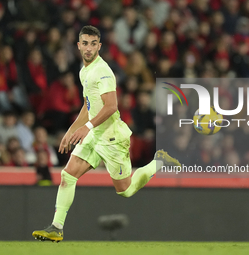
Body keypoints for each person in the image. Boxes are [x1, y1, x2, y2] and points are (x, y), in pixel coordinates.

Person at [32, 26, 180, 242]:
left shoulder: (103, 71)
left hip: (111, 137)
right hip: (94, 134)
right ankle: (56, 227)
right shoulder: (84, 71)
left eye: (93, 44)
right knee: (68, 174)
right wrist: (72, 130)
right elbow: (88, 104)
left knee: (125, 190)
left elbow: (111, 106)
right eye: (85, 43)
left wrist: (87, 128)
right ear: (79, 45)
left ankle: (158, 162)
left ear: (99, 46)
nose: (89, 48)